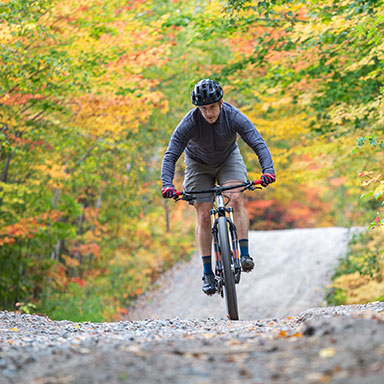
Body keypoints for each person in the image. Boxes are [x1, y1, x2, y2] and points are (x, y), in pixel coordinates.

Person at [161, 79, 275, 295]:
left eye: (212, 107)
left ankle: (244, 254)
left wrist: (268, 170)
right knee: (203, 214)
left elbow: (257, 142)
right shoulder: (190, 122)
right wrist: (167, 184)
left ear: (221, 103)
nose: (208, 113)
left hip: (228, 159)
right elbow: (171, 154)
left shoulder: (233, 115)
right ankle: (207, 272)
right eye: (203, 109)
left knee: (236, 197)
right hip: (197, 164)